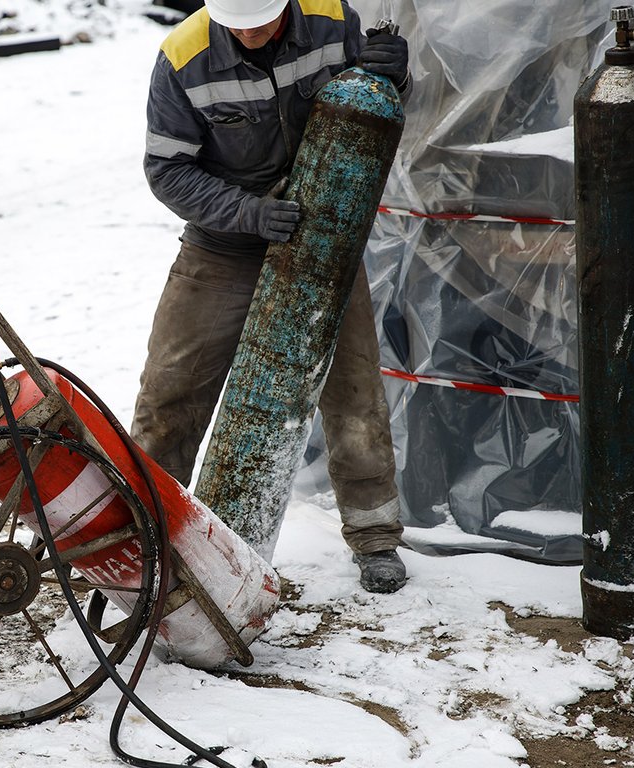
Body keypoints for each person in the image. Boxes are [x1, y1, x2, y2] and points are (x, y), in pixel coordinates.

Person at [132, 0, 411, 593]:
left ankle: (375, 534)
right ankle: (141, 537)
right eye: (239, 23)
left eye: (263, 17)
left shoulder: (334, 20)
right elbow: (167, 170)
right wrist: (247, 213)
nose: (253, 31)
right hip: (225, 240)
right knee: (171, 390)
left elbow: (374, 110)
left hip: (324, 234)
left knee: (353, 388)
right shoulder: (185, 56)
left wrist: (396, 75)